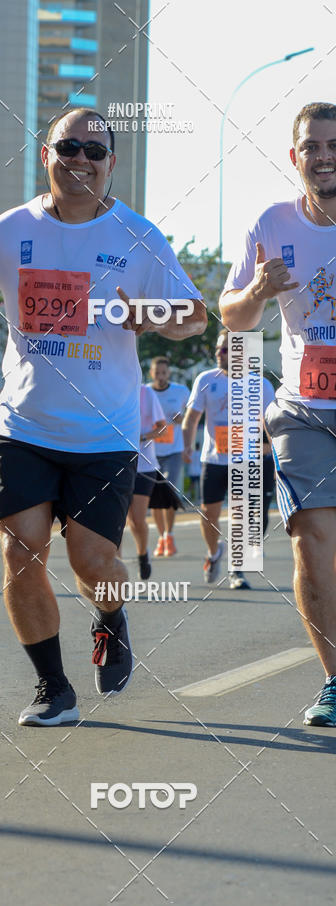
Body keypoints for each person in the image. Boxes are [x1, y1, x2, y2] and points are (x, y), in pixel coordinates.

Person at [0, 106, 206, 726]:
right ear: (46, 154)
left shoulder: (139, 237)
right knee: (22, 549)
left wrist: (155, 317)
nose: (80, 159)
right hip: (22, 426)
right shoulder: (11, 228)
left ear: (112, 163)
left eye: (94, 150)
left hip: (104, 434)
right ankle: (53, 688)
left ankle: (110, 617)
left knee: (92, 563)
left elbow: (195, 314)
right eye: (68, 147)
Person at [219, 102, 336, 726]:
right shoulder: (272, 222)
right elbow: (232, 316)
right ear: (295, 157)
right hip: (304, 411)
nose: (322, 156)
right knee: (313, 543)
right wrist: (259, 291)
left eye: (332, 145)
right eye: (311, 146)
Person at [182, 328, 275, 589]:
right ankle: (214, 553)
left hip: (248, 460)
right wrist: (187, 445)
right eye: (218, 348)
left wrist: (270, 447)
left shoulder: (261, 384)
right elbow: (191, 418)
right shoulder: (205, 379)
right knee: (208, 514)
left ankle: (237, 569)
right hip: (214, 459)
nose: (219, 354)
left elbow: (271, 424)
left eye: (225, 349)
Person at [146, 356, 190, 557]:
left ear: (169, 373)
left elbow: (191, 417)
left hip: (173, 450)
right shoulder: (145, 392)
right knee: (156, 496)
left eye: (164, 373)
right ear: (151, 373)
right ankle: (161, 536)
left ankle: (169, 535)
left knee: (169, 491)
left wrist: (181, 419)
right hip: (152, 451)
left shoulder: (180, 391)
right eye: (157, 373)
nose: (160, 376)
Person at [125, 384, 166, 580]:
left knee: (137, 519)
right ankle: (113, 565)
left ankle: (142, 555)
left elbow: (162, 428)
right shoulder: (109, 387)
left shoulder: (146, 392)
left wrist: (140, 437)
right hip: (117, 464)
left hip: (144, 466)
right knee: (116, 520)